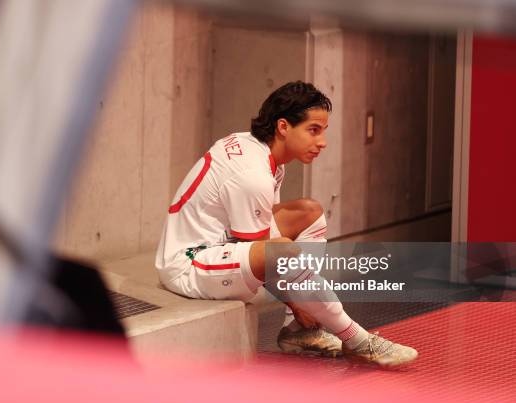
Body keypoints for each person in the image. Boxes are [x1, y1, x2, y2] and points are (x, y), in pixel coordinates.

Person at [155, 81, 417, 367]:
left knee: (310, 213)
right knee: (282, 251)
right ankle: (357, 339)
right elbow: (265, 255)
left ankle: (300, 331)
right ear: (283, 127)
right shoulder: (252, 174)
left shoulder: (258, 149)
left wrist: (299, 303)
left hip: (221, 242)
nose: (322, 142)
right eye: (313, 130)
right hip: (190, 262)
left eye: (323, 131)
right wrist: (295, 301)